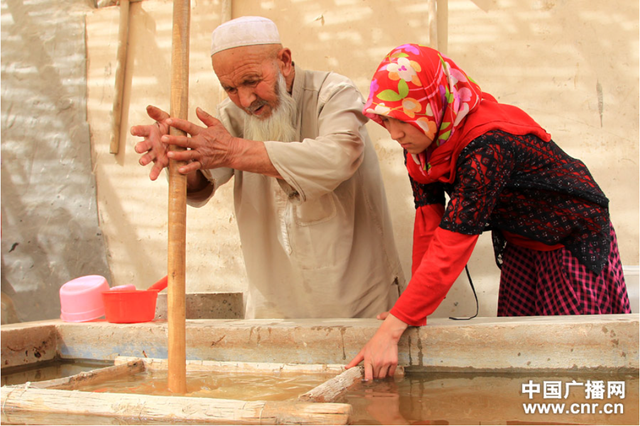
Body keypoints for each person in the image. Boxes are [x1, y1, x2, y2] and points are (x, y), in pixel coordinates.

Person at [346, 44, 631, 380]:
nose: (394, 134)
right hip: (522, 241)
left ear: (434, 104)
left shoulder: (488, 145)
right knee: (520, 360)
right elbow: (429, 225)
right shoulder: (423, 149)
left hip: (571, 235)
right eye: (387, 120)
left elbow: (453, 243)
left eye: (404, 119)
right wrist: (410, 312)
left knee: (572, 363)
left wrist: (391, 330)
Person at [130, 16, 405, 319]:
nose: (245, 99)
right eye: (230, 88)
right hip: (273, 305)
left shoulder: (333, 93)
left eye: (251, 81)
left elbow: (338, 157)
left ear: (284, 61)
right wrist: (176, 152)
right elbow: (202, 182)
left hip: (356, 300)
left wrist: (233, 151)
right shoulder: (233, 114)